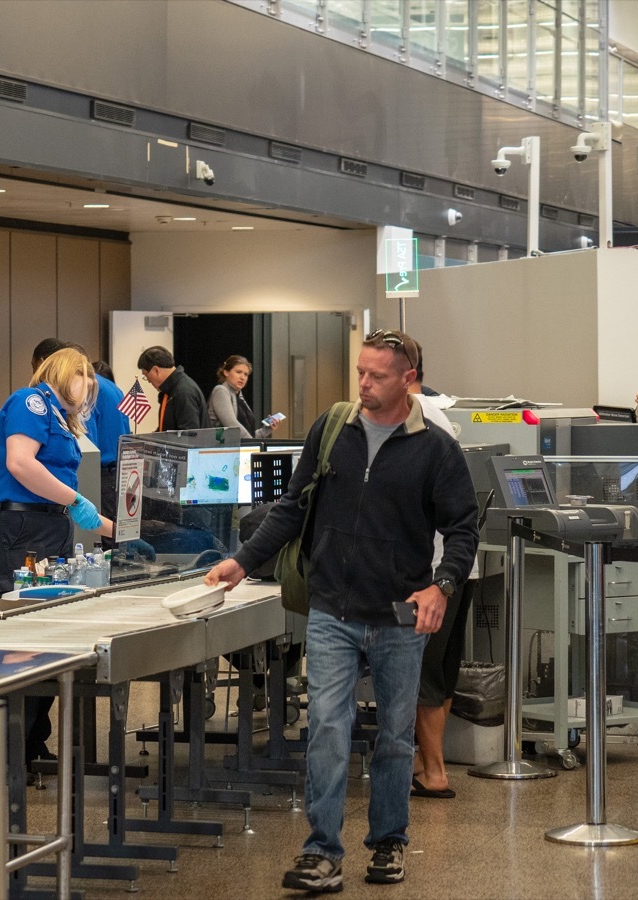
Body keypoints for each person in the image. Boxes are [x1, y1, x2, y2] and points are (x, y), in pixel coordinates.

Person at [205, 329, 478, 892]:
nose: (364, 384)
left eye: (377, 376)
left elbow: (462, 528)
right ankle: (321, 851)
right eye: (360, 372)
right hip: (332, 608)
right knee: (328, 728)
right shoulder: (334, 428)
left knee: (396, 736)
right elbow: (291, 508)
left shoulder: (436, 448)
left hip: (399, 612)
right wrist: (242, 561)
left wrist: (441, 586)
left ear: (409, 380)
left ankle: (388, 842)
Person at [0, 347, 115, 764]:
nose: (89, 388)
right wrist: (77, 501)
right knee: (24, 640)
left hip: (50, 525)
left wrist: (117, 530)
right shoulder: (30, 402)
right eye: (83, 378)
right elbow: (21, 464)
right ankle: (11, 752)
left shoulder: (59, 416)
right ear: (63, 374)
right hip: (22, 529)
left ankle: (33, 743)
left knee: (49, 638)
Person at [408, 343, 474, 800]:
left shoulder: (419, 420)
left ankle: (433, 772)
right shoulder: (437, 412)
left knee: (425, 672)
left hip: (432, 569)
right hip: (454, 566)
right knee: (443, 670)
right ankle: (427, 762)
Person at [31, 340, 131, 521]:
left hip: (99, 477)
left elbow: (84, 442)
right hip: (120, 474)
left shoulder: (81, 388)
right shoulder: (111, 387)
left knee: (101, 541)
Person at [206, 354, 276, 439]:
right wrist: (253, 444)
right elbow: (232, 425)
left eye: (246, 374)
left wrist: (266, 430)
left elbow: (248, 434)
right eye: (238, 372)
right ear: (226, 372)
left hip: (241, 449)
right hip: (222, 450)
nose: (242, 377)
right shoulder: (221, 390)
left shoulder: (239, 396)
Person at [137, 346, 206, 431]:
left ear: (156, 370)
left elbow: (189, 436)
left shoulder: (183, 392)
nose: (147, 380)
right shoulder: (172, 390)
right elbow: (167, 430)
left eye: (146, 375)